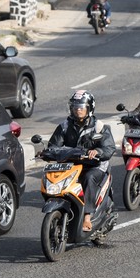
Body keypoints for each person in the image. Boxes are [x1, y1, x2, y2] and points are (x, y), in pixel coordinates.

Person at [47, 90, 116, 232]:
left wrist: (98, 151)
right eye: (75, 107)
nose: (78, 110)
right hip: (72, 165)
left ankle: (87, 216)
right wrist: (47, 152)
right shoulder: (65, 126)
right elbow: (54, 145)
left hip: (95, 165)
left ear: (89, 108)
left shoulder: (99, 126)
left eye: (81, 107)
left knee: (89, 178)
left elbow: (109, 147)